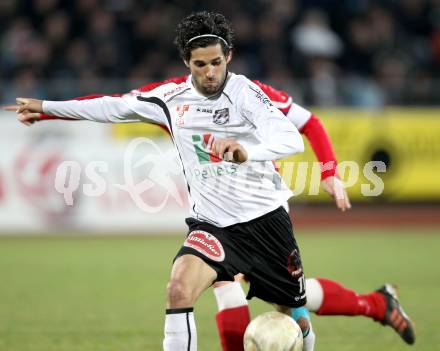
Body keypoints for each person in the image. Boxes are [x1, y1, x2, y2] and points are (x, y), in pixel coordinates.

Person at [5, 11, 415, 350]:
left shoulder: (248, 92)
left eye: (216, 62)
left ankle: (377, 304)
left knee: (296, 314)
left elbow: (293, 133)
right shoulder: (169, 98)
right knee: (180, 289)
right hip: (213, 224)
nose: (209, 73)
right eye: (200, 64)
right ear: (187, 63)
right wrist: (46, 108)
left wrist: (253, 152)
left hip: (266, 221)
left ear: (229, 56)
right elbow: (113, 106)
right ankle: (376, 304)